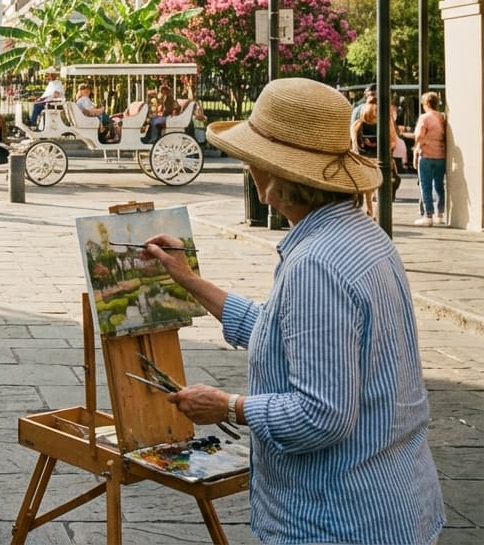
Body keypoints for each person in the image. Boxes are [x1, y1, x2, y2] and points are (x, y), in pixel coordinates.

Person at [140, 77, 443, 545]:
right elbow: (285, 332)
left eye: (252, 160)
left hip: (338, 518)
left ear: (273, 179)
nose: (247, 168)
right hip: (390, 499)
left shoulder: (316, 265)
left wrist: (228, 406)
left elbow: (321, 414)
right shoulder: (363, 236)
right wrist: (188, 279)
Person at [413, 91, 447, 226]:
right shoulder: (442, 117)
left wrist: (416, 151)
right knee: (439, 185)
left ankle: (428, 216)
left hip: (426, 154)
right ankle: (440, 214)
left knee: (425, 185)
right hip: (441, 155)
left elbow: (419, 136)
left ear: (426, 104)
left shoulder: (424, 118)